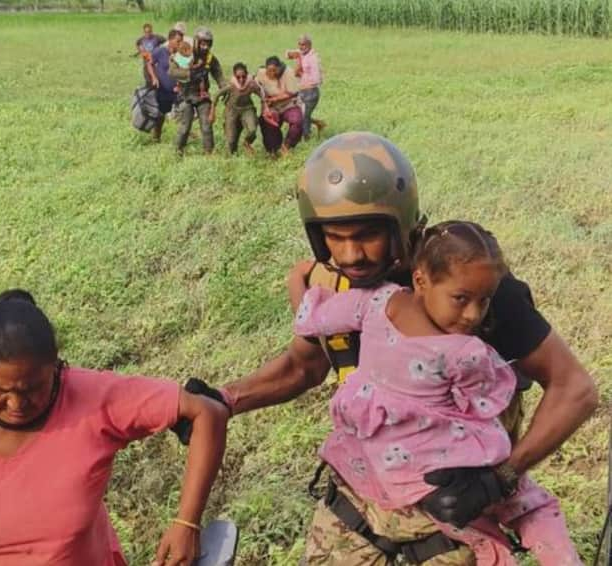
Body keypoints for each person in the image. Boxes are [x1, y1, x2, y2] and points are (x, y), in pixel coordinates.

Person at [177, 132, 598, 564]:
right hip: (357, 510)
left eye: (366, 236)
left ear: (402, 223)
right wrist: (225, 400)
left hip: (452, 521)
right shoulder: (334, 283)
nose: (351, 254)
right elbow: (302, 367)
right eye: (335, 238)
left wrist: (500, 479)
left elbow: (574, 389)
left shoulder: (464, 288)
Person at [292, 220, 582, 565]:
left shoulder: (378, 302)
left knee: (515, 501)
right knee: (524, 504)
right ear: (420, 280)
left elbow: (311, 316)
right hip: (393, 477)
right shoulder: (460, 349)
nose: (474, 314)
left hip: (409, 470)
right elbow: (486, 402)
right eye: (461, 299)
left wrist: (297, 282)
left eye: (484, 301)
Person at [0, 290, 227, 566]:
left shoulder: (91, 398)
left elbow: (205, 412)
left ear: (57, 367)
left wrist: (187, 524)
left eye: (32, 388)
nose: (16, 404)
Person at [169, 26, 225, 155]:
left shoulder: (210, 58)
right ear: (196, 41)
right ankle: (178, 151)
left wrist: (225, 89)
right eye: (202, 43)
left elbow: (219, 76)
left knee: (206, 126)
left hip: (202, 96)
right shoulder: (184, 53)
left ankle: (209, 152)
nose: (205, 47)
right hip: (185, 96)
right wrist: (189, 74)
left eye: (208, 44)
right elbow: (172, 71)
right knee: (185, 127)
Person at [209, 62, 265, 155]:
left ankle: (247, 142)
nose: (241, 80)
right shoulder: (231, 85)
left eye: (243, 76)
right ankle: (232, 156)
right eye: (238, 77)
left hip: (247, 108)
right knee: (231, 140)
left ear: (247, 75)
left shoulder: (251, 84)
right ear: (234, 76)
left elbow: (262, 96)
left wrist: (265, 107)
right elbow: (216, 95)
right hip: (232, 110)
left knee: (252, 130)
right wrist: (212, 112)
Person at [255, 56, 303, 156]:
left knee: (297, 121)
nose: (272, 73)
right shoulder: (261, 73)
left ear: (279, 68)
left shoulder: (288, 73)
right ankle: (273, 149)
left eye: (274, 71)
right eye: (269, 71)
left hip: (289, 104)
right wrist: (264, 104)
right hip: (272, 107)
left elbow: (292, 93)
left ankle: (287, 145)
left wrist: (274, 99)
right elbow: (257, 88)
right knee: (268, 123)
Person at [286, 34, 326, 140]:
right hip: (301, 91)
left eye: (303, 44)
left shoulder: (313, 58)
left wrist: (301, 75)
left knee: (304, 117)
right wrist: (295, 54)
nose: (301, 47)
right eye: (299, 44)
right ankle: (318, 124)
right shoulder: (302, 54)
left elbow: (317, 79)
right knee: (298, 113)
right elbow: (287, 55)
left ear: (309, 45)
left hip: (310, 92)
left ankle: (306, 138)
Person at [147, 29, 182, 143]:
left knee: (184, 115)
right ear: (170, 40)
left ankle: (181, 140)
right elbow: (149, 64)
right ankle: (156, 138)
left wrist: (181, 84)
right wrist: (154, 78)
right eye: (178, 41)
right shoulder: (160, 51)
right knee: (160, 116)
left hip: (177, 92)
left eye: (181, 41)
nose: (180, 44)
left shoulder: (182, 54)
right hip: (163, 91)